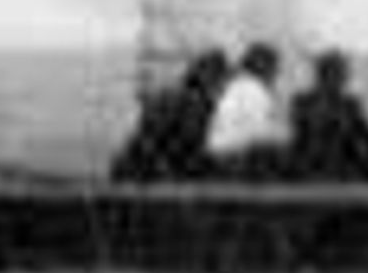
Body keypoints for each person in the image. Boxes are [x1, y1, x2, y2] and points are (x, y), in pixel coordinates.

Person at [111, 48, 227, 184]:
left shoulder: (175, 96)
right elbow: (185, 145)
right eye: (221, 82)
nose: (222, 88)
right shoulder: (194, 104)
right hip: (152, 176)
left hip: (139, 171)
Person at [288, 48, 368, 183]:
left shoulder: (347, 104)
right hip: (326, 167)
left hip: (325, 167)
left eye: (343, 74)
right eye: (341, 74)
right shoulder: (305, 102)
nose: (345, 79)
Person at [203, 39, 293, 178]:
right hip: (237, 160)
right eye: (274, 68)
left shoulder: (236, 87)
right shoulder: (253, 89)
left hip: (225, 158)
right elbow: (260, 133)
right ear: (263, 67)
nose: (276, 74)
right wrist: (286, 137)